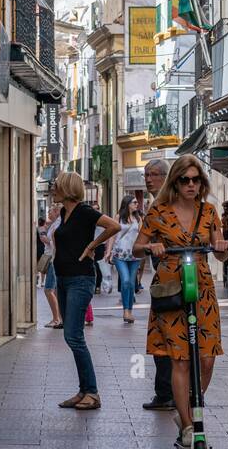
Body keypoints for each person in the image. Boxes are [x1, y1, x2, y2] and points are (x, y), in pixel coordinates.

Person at [138, 156, 228, 449]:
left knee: (206, 358)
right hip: (171, 289)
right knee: (179, 359)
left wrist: (223, 248)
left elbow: (221, 254)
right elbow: (137, 247)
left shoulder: (209, 212)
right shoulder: (159, 212)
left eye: (196, 180)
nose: (191, 185)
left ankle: (187, 407)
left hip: (202, 288)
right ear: (175, 182)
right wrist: (151, 245)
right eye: (185, 180)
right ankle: (190, 427)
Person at [51, 170, 120, 409]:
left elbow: (114, 226)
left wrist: (93, 245)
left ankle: (92, 392)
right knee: (71, 336)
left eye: (56, 185)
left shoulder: (85, 211)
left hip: (81, 279)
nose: (52, 189)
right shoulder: (63, 212)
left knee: (74, 336)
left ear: (67, 188)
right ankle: (83, 391)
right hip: (63, 278)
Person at [140, 159, 174, 410]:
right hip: (162, 280)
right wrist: (150, 246)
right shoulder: (154, 209)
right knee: (161, 337)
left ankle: (171, 392)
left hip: (182, 278)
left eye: (153, 174)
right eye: (146, 175)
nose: (148, 179)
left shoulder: (172, 204)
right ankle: (164, 392)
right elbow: (138, 246)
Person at [108, 195, 144, 325]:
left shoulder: (138, 218)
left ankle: (129, 310)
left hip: (134, 256)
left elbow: (141, 236)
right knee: (126, 281)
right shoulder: (118, 217)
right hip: (120, 255)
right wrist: (108, 252)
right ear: (127, 203)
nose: (136, 204)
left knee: (131, 284)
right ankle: (125, 311)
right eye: (134, 202)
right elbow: (112, 235)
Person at [40, 204, 63, 329]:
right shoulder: (55, 224)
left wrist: (47, 241)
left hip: (54, 260)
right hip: (53, 259)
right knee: (54, 290)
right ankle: (58, 317)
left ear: (56, 212)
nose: (48, 214)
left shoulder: (58, 224)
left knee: (49, 289)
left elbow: (56, 243)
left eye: (50, 211)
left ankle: (56, 318)